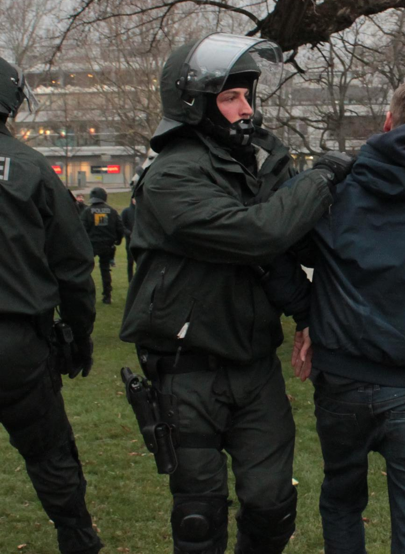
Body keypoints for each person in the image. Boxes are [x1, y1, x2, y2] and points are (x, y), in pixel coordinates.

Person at [119, 33, 352, 554]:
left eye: (248, 95)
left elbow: (284, 254)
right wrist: (318, 182)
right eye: (230, 98)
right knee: (199, 517)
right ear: (195, 104)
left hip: (253, 366)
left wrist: (308, 315)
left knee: (272, 509)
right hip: (186, 370)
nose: (246, 109)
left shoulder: (257, 162)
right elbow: (257, 235)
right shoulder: (171, 177)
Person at [295, 79, 405, 554]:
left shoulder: (341, 190)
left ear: (388, 122)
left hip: (348, 378)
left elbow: (280, 246)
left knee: (344, 499)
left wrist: (306, 313)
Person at [0, 56, 102, 554]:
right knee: (49, 452)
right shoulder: (31, 167)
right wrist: (79, 334)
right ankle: (77, 537)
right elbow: (72, 262)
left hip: (17, 336)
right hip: (17, 341)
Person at [80, 186, 124, 304]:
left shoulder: (87, 211)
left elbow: (82, 229)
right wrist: (118, 240)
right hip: (107, 245)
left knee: (86, 271)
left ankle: (87, 295)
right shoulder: (112, 211)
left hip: (91, 245)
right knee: (105, 270)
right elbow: (120, 228)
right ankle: (107, 296)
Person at [120, 197, 136, 282]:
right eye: (134, 198)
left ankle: (138, 280)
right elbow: (121, 225)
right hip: (130, 241)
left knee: (140, 262)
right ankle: (131, 280)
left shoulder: (142, 211)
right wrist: (129, 233)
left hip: (141, 241)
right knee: (130, 262)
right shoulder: (126, 211)